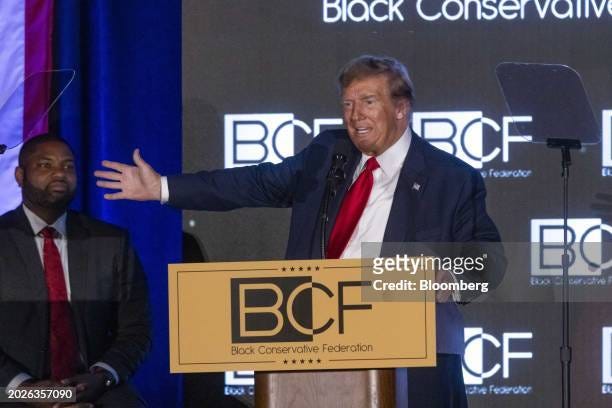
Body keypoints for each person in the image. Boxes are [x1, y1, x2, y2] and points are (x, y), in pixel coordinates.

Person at [95, 55, 505, 407]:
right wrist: (164, 187)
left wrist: (452, 274)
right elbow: (254, 183)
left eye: (368, 101)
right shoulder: (329, 154)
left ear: (401, 109)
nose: (355, 115)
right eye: (347, 104)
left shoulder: (451, 177)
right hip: (315, 341)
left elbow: (490, 259)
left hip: (412, 356)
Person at [0, 134, 151, 407]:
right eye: (45, 165)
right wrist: (28, 388)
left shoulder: (111, 241)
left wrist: (103, 375)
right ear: (20, 176)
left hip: (92, 383)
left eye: (69, 166)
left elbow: (137, 329)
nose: (60, 173)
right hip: (13, 387)